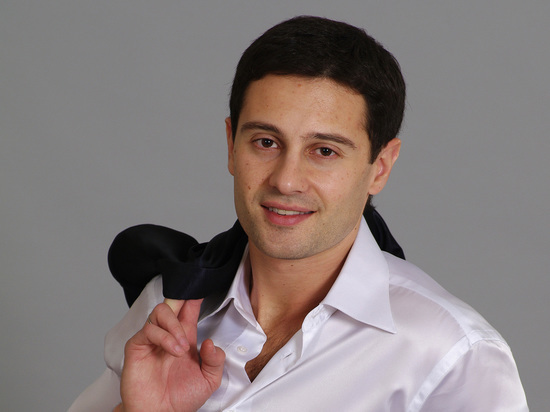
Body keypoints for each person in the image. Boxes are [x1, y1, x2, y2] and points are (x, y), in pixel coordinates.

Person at [69, 16, 528, 411]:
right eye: (266, 142)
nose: (286, 181)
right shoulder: (166, 308)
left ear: (380, 167)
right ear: (231, 145)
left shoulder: (454, 355)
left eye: (324, 151)